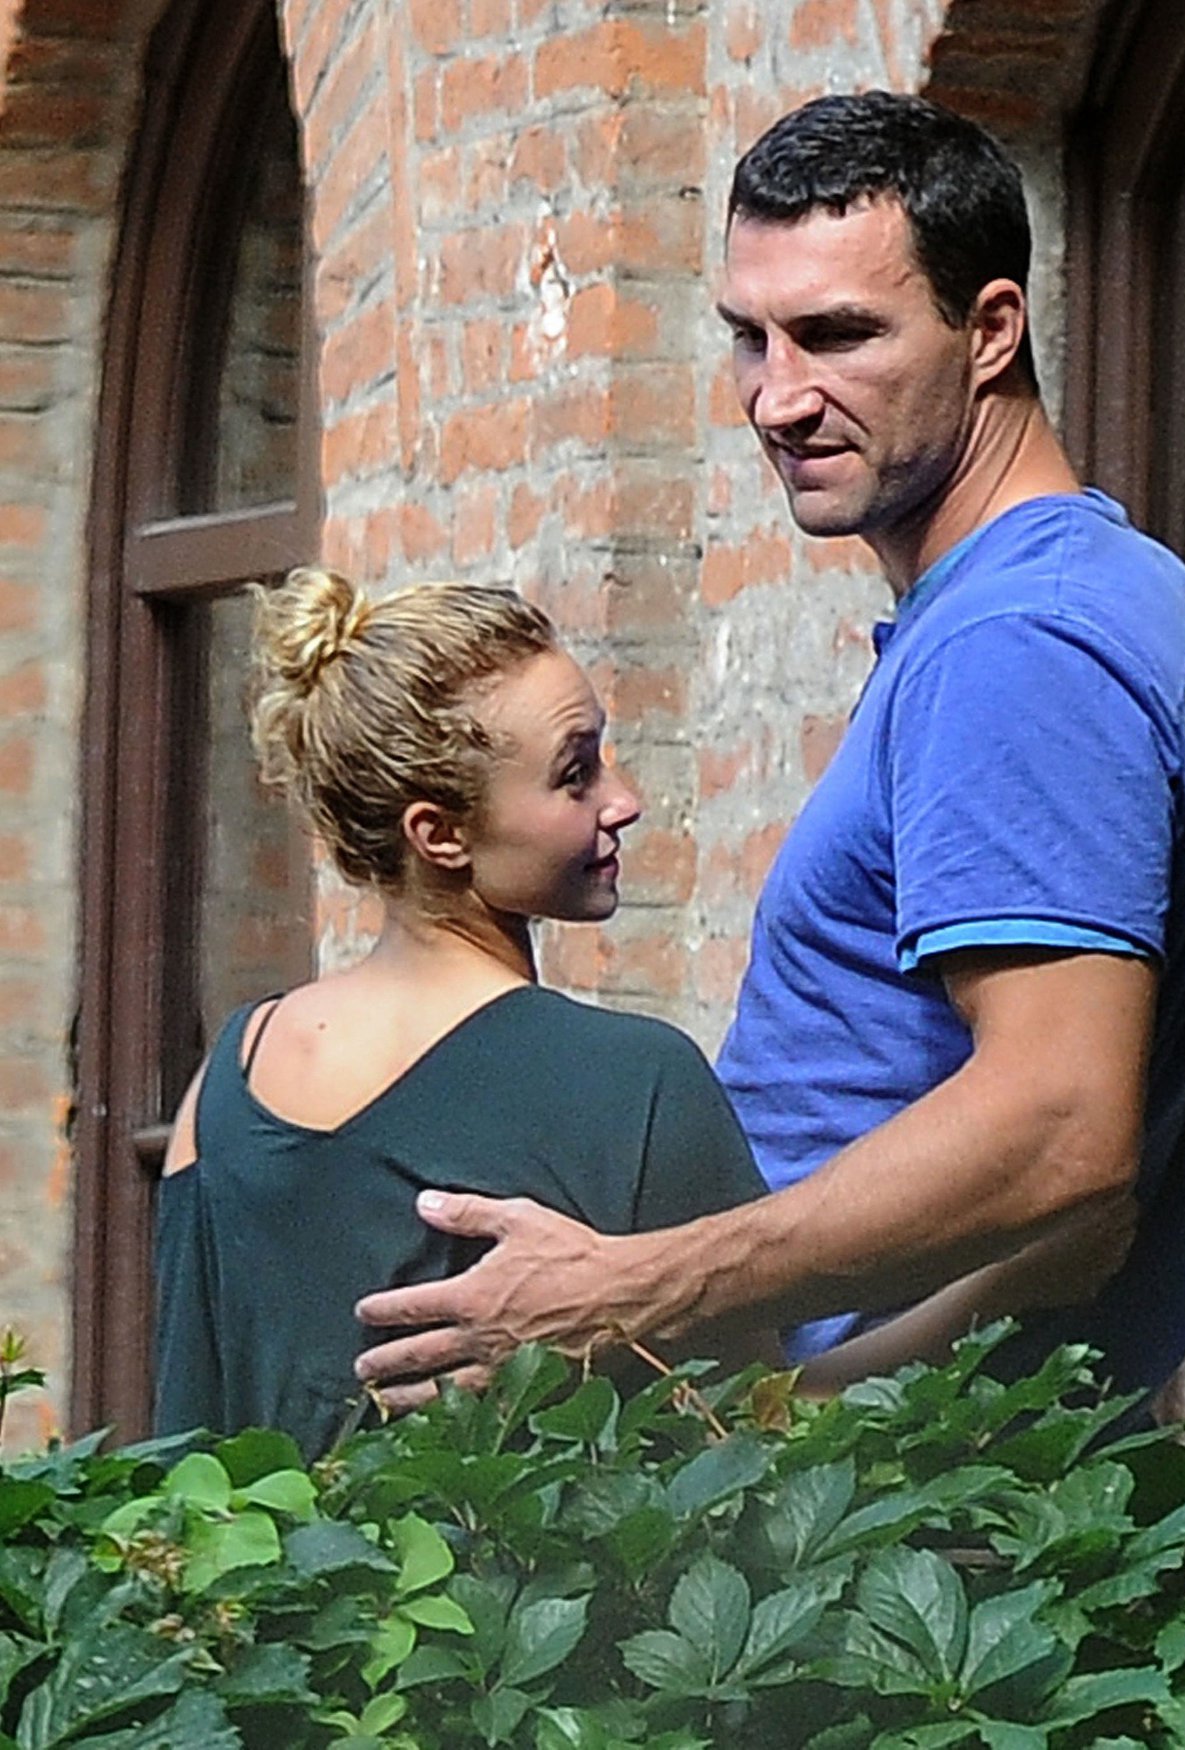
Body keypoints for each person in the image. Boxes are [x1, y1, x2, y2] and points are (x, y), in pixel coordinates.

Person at [352, 91, 1185, 1413]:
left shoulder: (1022, 643)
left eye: (839, 336)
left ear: (992, 330)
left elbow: (1060, 1132)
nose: (779, 398)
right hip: (875, 1473)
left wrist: (636, 1289)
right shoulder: (1081, 601)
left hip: (908, 1517)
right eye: (750, 337)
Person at [152, 568, 771, 1458]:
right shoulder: (632, 1082)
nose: (623, 798)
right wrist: (990, 1292)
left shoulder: (232, 1076)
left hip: (253, 1595)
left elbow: (183, 1444)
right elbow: (755, 1440)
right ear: (438, 834)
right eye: (575, 774)